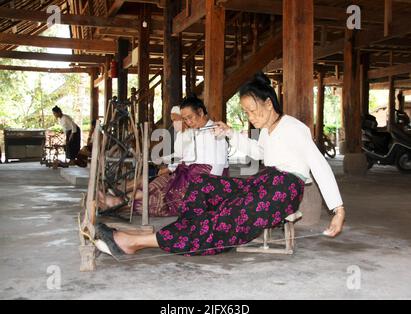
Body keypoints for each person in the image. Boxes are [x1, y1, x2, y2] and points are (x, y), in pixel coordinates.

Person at [94, 72, 345, 258]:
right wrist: (230, 133)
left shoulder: (293, 127)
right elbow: (259, 152)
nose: (250, 116)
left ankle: (133, 241)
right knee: (202, 184)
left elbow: (318, 162)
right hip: (264, 181)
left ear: (269, 103)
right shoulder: (268, 130)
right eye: (246, 112)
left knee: (225, 217)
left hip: (282, 191)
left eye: (252, 110)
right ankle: (184, 230)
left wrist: (338, 208)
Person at [98, 95, 230, 217]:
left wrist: (202, 192)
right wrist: (174, 170)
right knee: (157, 183)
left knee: (162, 200)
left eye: (190, 117)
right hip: (189, 174)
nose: (188, 122)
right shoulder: (197, 131)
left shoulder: (216, 132)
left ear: (200, 112)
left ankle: (115, 203)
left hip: (204, 182)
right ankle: (117, 200)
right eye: (185, 119)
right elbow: (187, 158)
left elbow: (216, 169)